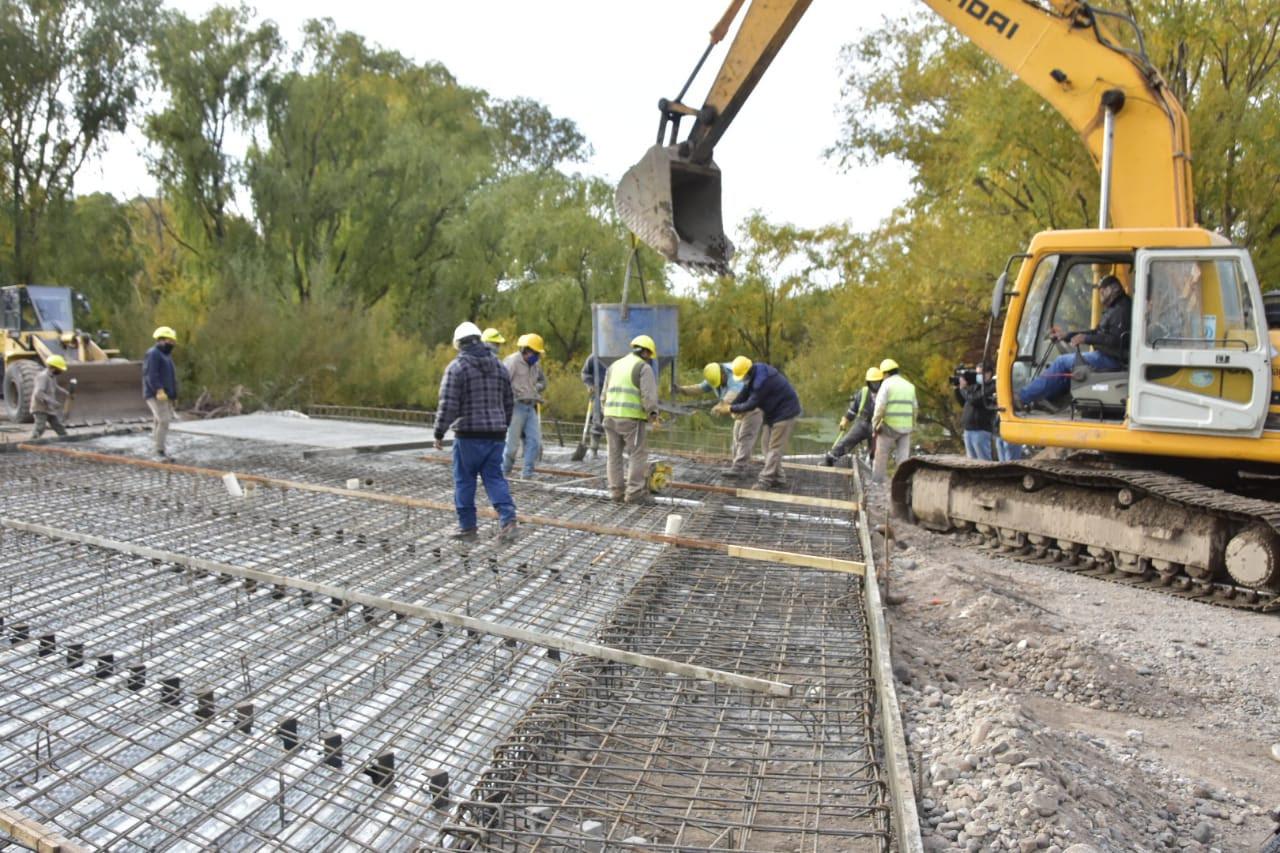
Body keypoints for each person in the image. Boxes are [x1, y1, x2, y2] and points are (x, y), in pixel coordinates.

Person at [434, 321, 518, 541]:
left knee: (464, 480)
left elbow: (448, 404)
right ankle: (508, 520)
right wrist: (502, 426)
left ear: (459, 344)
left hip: (468, 436)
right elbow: (509, 402)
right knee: (494, 478)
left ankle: (468, 528)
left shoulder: (457, 368)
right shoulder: (499, 367)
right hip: (496, 436)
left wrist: (439, 432)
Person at [1017, 275, 1131, 409]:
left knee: (1061, 362)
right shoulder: (1115, 308)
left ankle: (1022, 397)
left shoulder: (1122, 310)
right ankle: (1043, 398)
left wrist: (1086, 339)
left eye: (1103, 291)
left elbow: (1114, 340)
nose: (1100, 295)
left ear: (1114, 289)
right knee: (1067, 364)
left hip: (1112, 359)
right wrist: (1067, 335)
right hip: (1108, 356)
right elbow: (1097, 333)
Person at [725, 357, 802, 491]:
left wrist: (730, 409)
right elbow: (744, 393)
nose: (742, 379)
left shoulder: (761, 381)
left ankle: (765, 481)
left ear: (747, 371)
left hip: (785, 412)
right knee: (766, 445)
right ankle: (779, 478)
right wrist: (732, 404)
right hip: (772, 411)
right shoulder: (754, 374)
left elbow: (751, 404)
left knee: (774, 448)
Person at [680, 356, 762, 478]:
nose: (720, 384)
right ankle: (739, 467)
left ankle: (739, 468)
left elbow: (731, 397)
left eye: (722, 380)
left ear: (723, 373)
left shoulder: (734, 374)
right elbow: (699, 388)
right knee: (736, 440)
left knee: (745, 438)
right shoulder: (714, 375)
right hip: (739, 412)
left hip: (753, 409)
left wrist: (719, 406)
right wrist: (682, 390)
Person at [602, 334, 661, 504]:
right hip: (631, 420)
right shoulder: (643, 367)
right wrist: (653, 415)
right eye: (650, 355)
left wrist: (607, 411)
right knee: (637, 455)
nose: (650, 358)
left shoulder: (615, 365)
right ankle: (635, 494)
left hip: (610, 416)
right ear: (646, 352)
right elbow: (648, 396)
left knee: (613, 456)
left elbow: (603, 395)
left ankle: (616, 492)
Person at [502, 333, 547, 479]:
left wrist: (536, 389)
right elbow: (502, 383)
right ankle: (504, 471)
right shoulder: (512, 362)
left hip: (530, 406)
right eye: (536, 353)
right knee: (512, 446)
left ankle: (527, 473)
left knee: (534, 441)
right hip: (516, 407)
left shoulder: (535, 365)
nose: (537, 356)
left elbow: (543, 382)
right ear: (526, 351)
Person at [871, 358, 917, 484]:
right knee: (903, 458)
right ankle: (901, 484)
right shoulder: (910, 386)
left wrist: (875, 425)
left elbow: (879, 408)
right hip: (906, 428)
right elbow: (915, 409)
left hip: (889, 427)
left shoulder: (886, 385)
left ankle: (877, 482)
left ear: (885, 373)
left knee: (881, 455)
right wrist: (913, 425)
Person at [825, 366, 882, 467]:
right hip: (862, 423)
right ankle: (831, 459)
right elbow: (852, 410)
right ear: (868, 383)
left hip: (877, 425)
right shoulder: (863, 392)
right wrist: (845, 420)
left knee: (875, 451)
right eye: (873, 383)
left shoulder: (885, 393)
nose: (875, 386)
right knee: (847, 441)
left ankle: (873, 470)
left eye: (877, 383)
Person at [143, 326, 179, 458]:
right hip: (155, 394)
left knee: (159, 421)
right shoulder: (153, 353)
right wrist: (158, 389)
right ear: (161, 340)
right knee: (164, 420)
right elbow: (151, 374)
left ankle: (157, 448)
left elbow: (170, 376)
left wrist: (174, 395)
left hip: (165, 394)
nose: (172, 344)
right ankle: (159, 451)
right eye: (170, 341)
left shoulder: (166, 355)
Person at [955, 368, 995, 460]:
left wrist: (963, 389)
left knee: (983, 461)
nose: (978, 375)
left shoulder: (991, 386)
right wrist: (957, 389)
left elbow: (974, 399)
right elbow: (963, 402)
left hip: (980, 430)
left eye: (980, 373)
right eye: (977, 373)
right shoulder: (976, 386)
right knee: (971, 462)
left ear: (989, 373)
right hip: (968, 430)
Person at [29, 355, 72, 438]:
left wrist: (66, 393)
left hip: (49, 408)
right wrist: (53, 402)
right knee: (40, 427)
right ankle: (32, 442)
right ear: (53, 368)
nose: (61, 371)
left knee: (58, 426)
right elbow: (39, 393)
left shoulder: (52, 376)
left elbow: (55, 386)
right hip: (40, 408)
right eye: (60, 369)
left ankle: (66, 439)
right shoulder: (43, 377)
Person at [580, 352, 607, 445]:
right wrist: (590, 385)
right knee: (597, 420)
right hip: (598, 392)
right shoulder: (594, 357)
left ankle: (618, 451)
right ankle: (593, 448)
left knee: (617, 423)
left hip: (615, 393)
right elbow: (585, 373)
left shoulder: (619, 356)